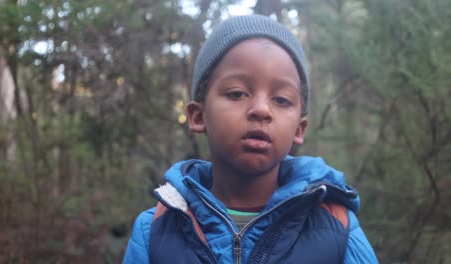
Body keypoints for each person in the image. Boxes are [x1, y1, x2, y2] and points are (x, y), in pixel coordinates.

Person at [123, 14, 378, 264]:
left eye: (281, 100)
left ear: (299, 129)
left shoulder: (337, 228)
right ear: (199, 116)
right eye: (237, 93)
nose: (261, 110)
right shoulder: (154, 231)